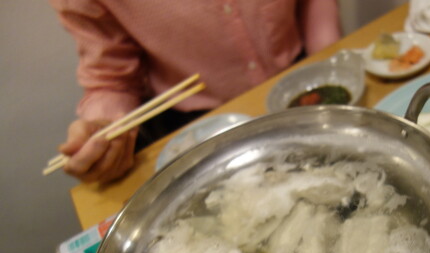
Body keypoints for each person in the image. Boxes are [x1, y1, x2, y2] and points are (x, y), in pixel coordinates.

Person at [50, 0, 342, 183]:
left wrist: (329, 59)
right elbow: (112, 77)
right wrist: (104, 134)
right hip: (192, 125)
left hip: (301, 80)